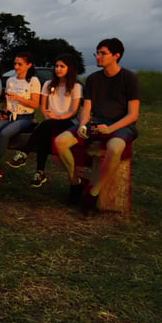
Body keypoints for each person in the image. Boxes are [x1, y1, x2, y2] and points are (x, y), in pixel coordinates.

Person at [54, 38, 140, 215]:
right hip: (96, 122)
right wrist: (83, 125)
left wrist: (111, 129)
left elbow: (133, 114)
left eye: (103, 53)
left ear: (116, 55)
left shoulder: (129, 78)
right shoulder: (93, 79)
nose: (98, 56)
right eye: (97, 53)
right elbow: (87, 108)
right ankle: (76, 183)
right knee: (60, 142)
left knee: (114, 148)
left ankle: (93, 193)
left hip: (121, 125)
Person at [5, 54, 82, 188]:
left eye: (62, 66)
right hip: (50, 121)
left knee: (46, 127)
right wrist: (48, 117)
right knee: (45, 133)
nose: (58, 69)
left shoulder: (76, 87)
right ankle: (39, 173)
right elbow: (43, 107)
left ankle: (25, 152)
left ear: (70, 68)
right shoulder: (47, 84)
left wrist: (58, 118)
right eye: (56, 66)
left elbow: (74, 111)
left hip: (68, 122)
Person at [0, 51, 42, 185]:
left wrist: (18, 98)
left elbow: (35, 104)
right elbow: (7, 101)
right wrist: (4, 109)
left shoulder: (33, 81)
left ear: (29, 65)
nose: (16, 67)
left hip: (25, 117)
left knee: (4, 133)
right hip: (9, 116)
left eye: (20, 64)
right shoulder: (11, 80)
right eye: (15, 63)